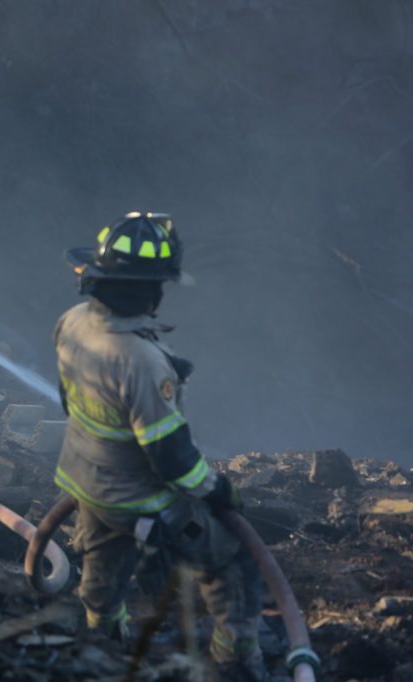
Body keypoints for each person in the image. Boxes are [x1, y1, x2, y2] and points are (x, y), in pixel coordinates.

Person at [54, 212, 267, 681]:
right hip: (140, 500)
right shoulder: (144, 363)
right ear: (150, 291)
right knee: (234, 563)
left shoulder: (72, 323)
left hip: (84, 481)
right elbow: (171, 459)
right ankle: (235, 663)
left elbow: (70, 401)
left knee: (102, 578)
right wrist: (217, 491)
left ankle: (102, 647)